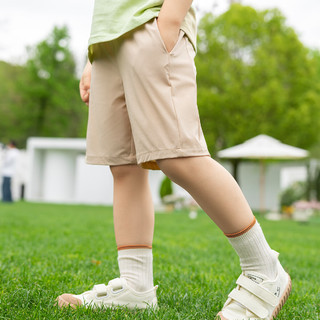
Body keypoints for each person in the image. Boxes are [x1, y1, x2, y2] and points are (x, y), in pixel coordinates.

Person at [57, 1, 291, 318]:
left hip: (152, 24)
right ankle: (135, 285)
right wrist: (96, 52)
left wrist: (168, 22)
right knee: (124, 165)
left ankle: (264, 269)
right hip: (108, 40)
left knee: (178, 155)